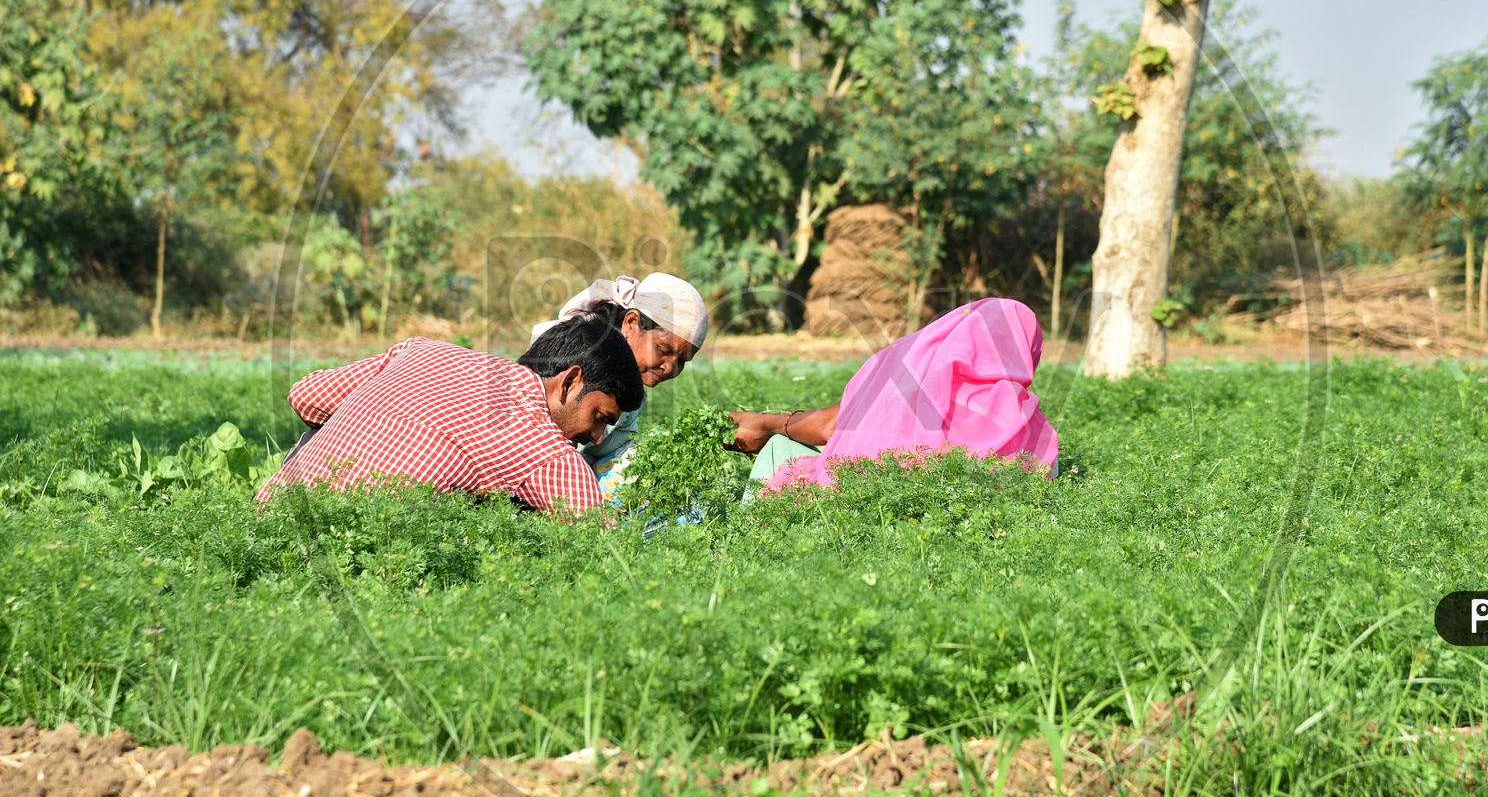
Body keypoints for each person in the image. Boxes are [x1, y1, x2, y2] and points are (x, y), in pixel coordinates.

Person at [257, 317, 644, 514]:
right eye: (599, 417)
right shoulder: (545, 448)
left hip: (271, 515)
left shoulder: (421, 350)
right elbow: (596, 539)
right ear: (571, 381)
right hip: (356, 553)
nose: (596, 437)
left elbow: (305, 395)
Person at [729, 298, 1059, 493]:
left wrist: (767, 425)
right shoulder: (1031, 429)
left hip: (854, 498)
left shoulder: (913, 370)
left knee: (780, 452)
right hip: (933, 524)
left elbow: (836, 425)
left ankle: (740, 542)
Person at [529, 273, 709, 498]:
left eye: (682, 361)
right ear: (631, 323)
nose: (671, 368)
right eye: (663, 350)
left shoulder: (629, 387)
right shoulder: (582, 361)